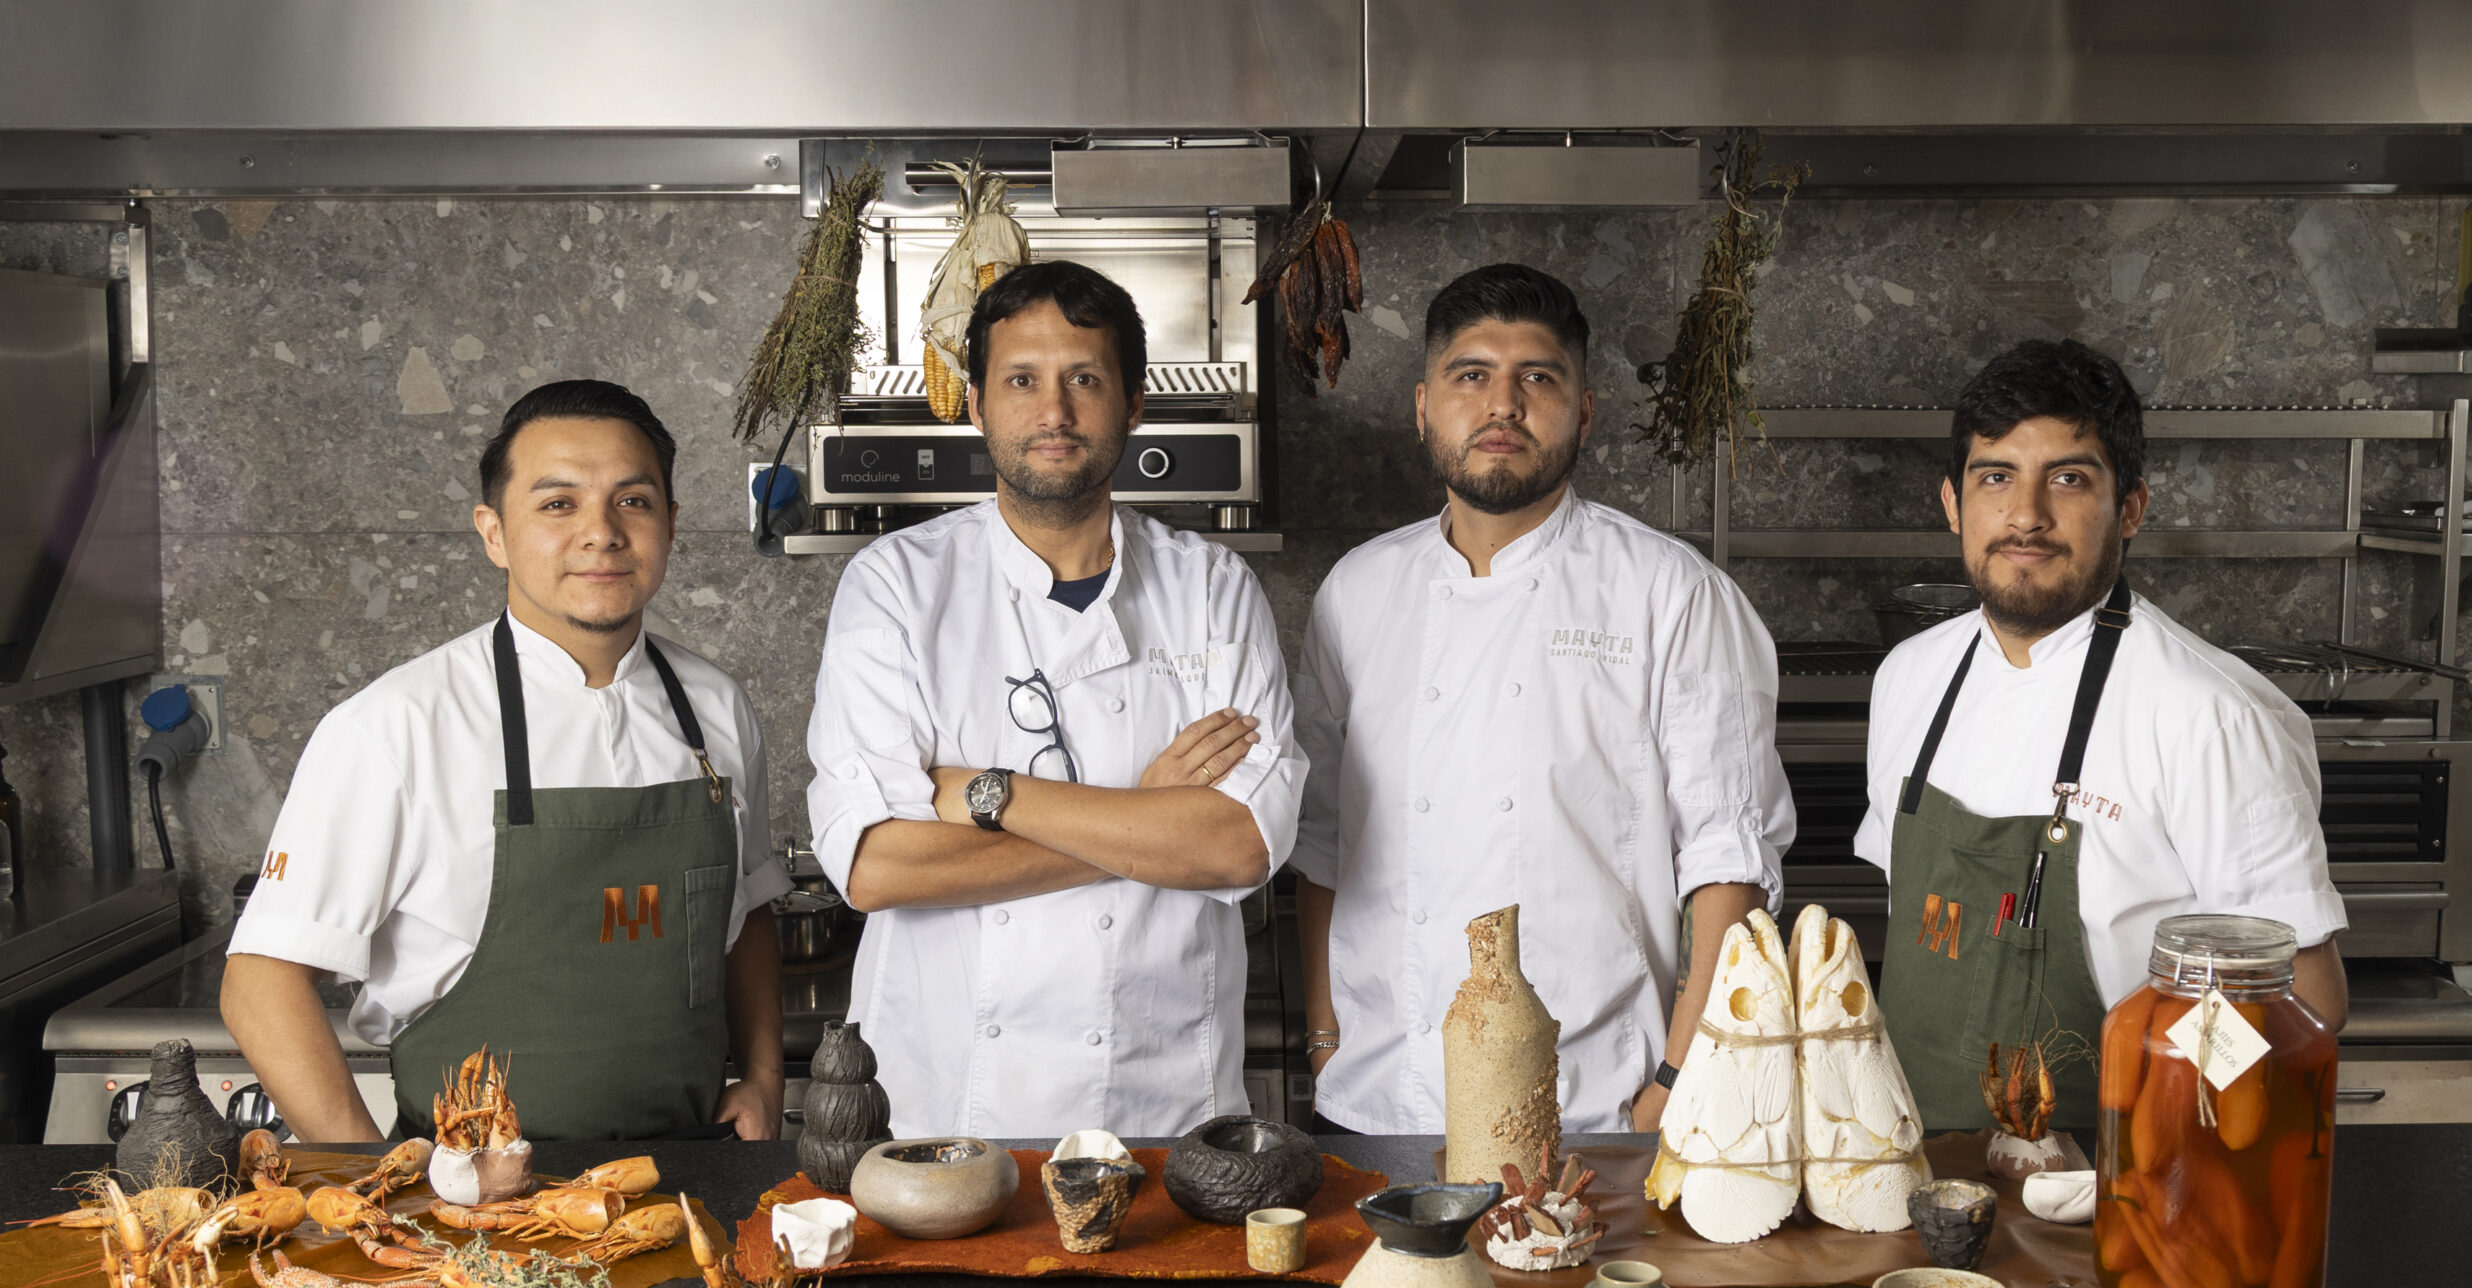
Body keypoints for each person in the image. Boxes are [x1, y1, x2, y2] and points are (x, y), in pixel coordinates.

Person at [1292, 263, 1794, 1137]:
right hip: (1378, 1105)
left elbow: (1730, 866)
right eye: (1471, 375)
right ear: (1422, 404)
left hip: (1594, 1109)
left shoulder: (1671, 593)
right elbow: (1323, 842)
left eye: (1539, 378)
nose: (1503, 405)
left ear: (1585, 410)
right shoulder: (1357, 591)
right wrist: (1325, 1038)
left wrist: (1674, 1085)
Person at [808, 260, 1304, 1137]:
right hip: (950, 1108)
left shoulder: (1212, 588)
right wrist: (1147, 818)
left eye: (1085, 378)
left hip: (1166, 1106)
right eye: (1022, 380)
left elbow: (1237, 845)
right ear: (976, 404)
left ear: (1135, 402)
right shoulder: (895, 586)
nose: (1055, 411)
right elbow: (879, 867)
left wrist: (990, 794)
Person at [223, 380, 791, 1144]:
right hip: (465, 1213)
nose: (601, 533)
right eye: (558, 504)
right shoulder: (394, 727)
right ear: (493, 532)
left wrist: (761, 1077)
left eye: (633, 500)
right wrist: (374, 1185)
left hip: (692, 1183)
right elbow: (262, 982)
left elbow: (749, 906)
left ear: (671, 524)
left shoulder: (717, 707)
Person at [1858, 338, 2349, 1134]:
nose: (2027, 515)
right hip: (1907, 1172)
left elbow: (2304, 1004)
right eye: (1996, 476)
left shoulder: (2211, 714)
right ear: (1953, 503)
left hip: (2107, 1187)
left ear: (2130, 508)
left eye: (2069, 478)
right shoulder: (1908, 679)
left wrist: (2151, 1101)